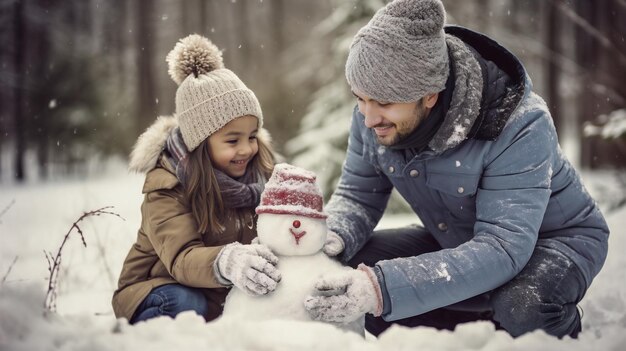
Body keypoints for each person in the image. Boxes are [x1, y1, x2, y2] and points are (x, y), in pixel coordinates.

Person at [304, 0, 610, 339]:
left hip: (550, 242)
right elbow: (357, 197)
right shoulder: (374, 120)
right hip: (458, 240)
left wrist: (381, 289)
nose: (368, 116)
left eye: (384, 103)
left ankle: (559, 331)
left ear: (430, 95)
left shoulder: (518, 125)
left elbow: (503, 248)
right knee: (339, 271)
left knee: (523, 306)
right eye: (359, 98)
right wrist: (327, 241)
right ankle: (477, 328)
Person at [112, 34, 281, 324]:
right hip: (156, 290)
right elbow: (181, 259)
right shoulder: (167, 187)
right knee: (187, 303)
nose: (246, 149)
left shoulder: (262, 177)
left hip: (213, 291)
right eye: (232, 140)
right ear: (200, 144)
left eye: (252, 137)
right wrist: (225, 261)